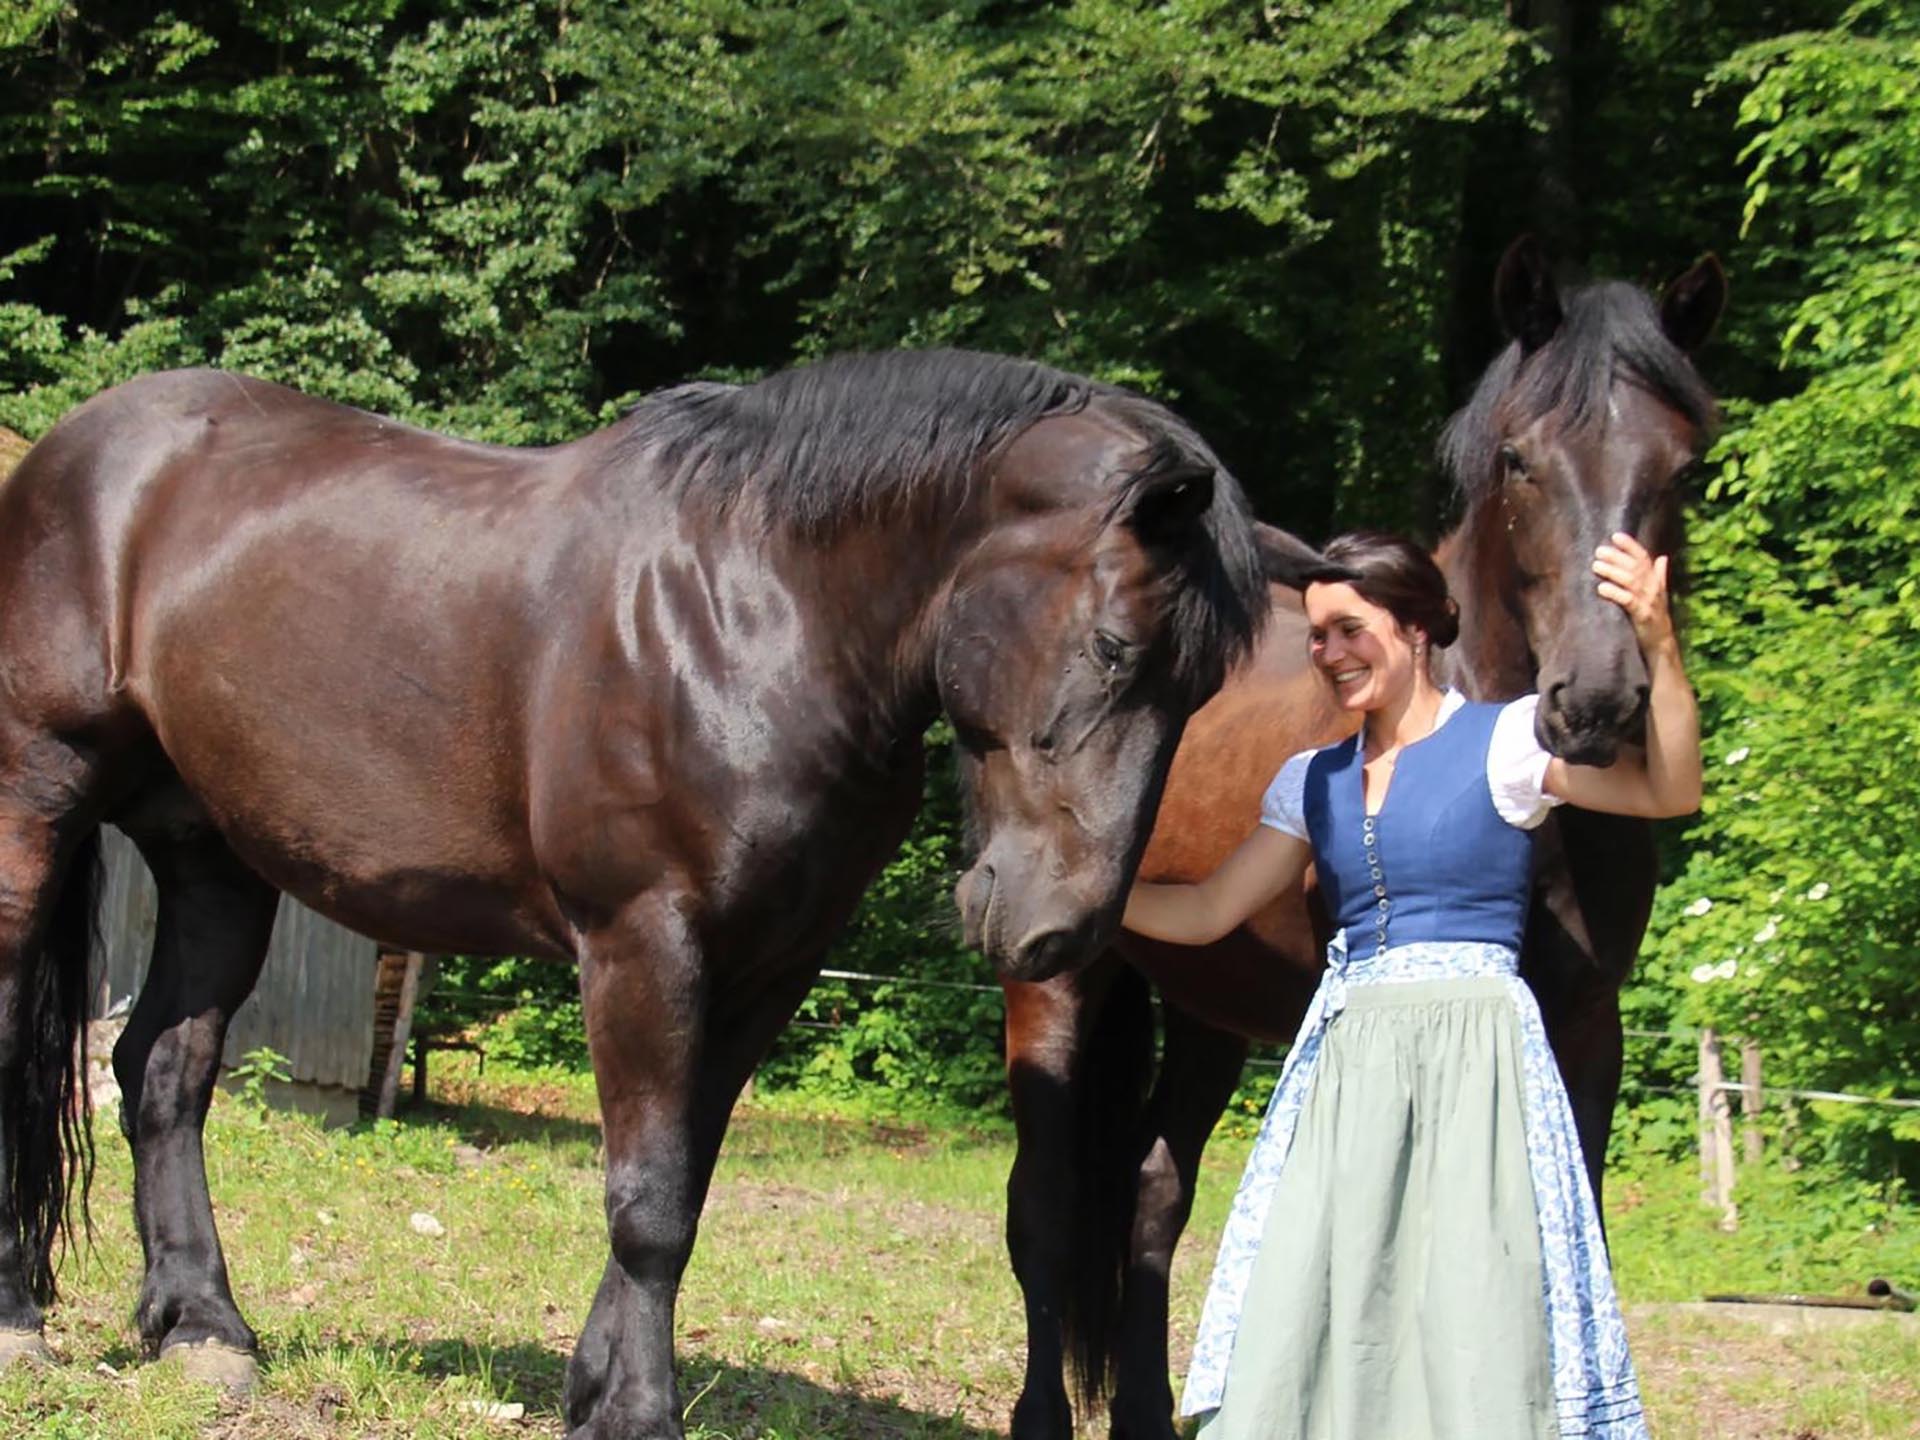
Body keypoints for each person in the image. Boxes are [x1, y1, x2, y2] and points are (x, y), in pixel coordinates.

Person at [1126, 529, 1698, 1440]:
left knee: (1476, 1294)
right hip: (1351, 1062)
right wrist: (1094, 896)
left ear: (1417, 627)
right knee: (1327, 1280)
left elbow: (1667, 792)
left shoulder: (1505, 740)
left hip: (1479, 1059)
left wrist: (1656, 643)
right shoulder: (1312, 780)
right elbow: (1204, 912)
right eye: (1317, 636)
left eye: (1350, 630)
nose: (1330, 655)